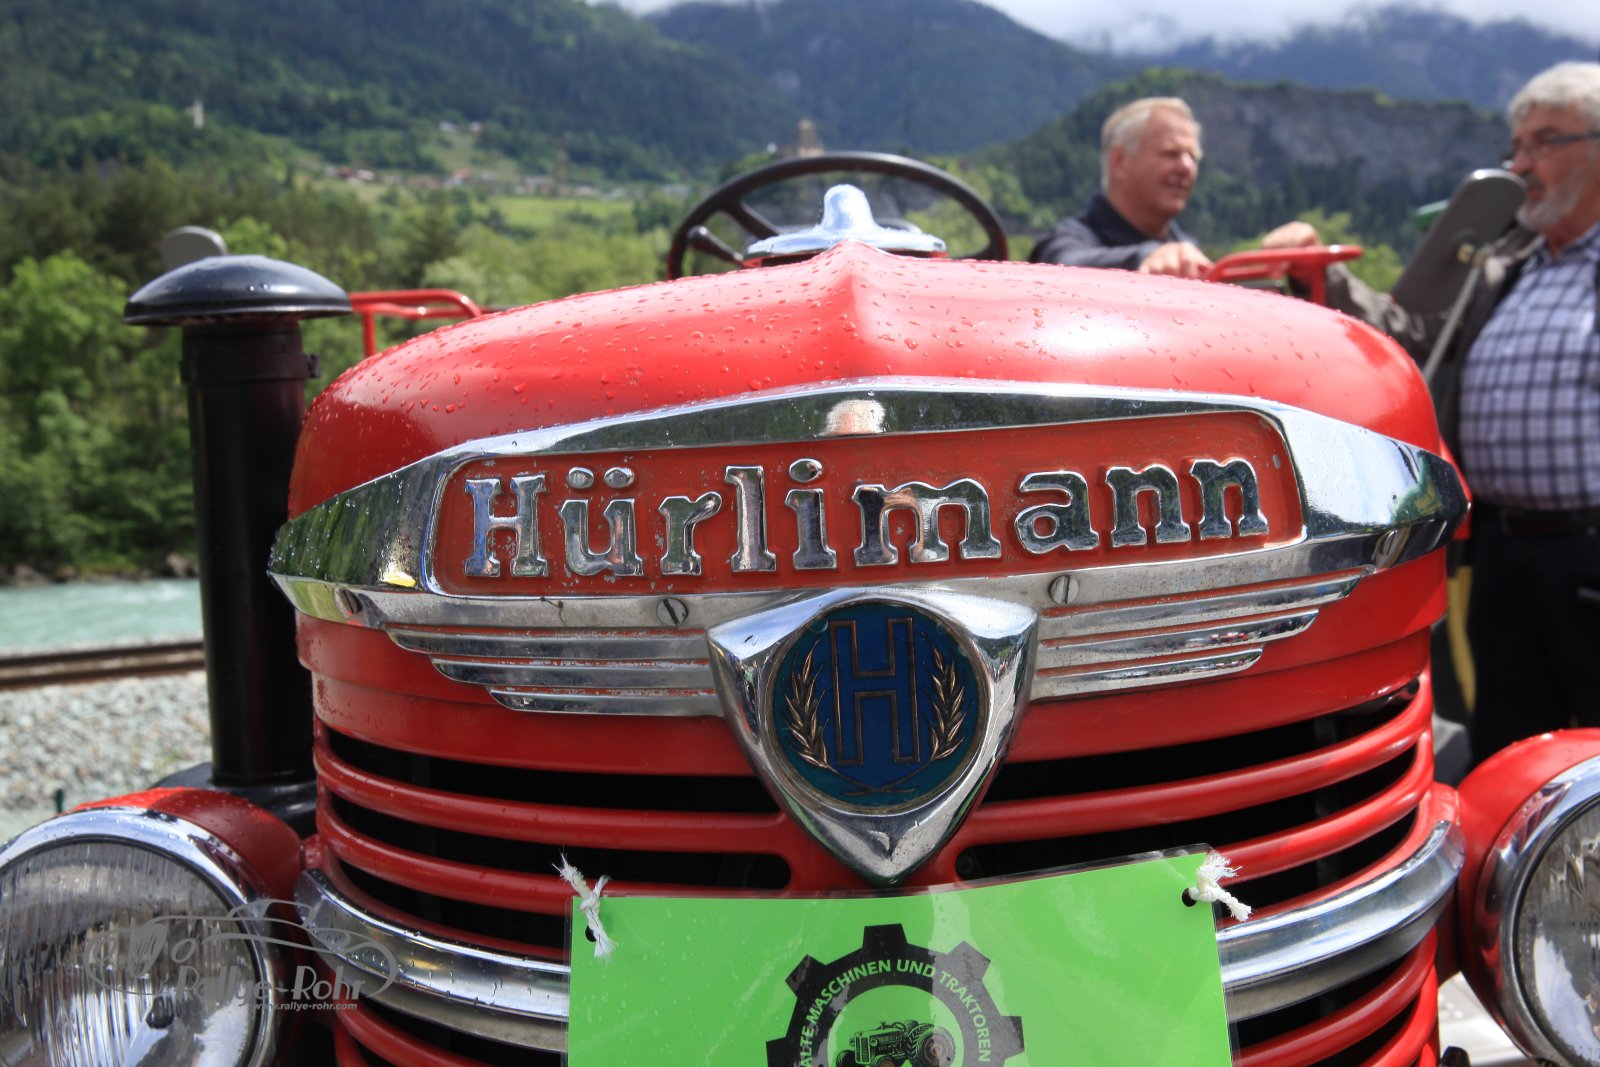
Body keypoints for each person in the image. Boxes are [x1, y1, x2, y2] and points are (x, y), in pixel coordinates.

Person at [1283, 61, 1600, 763]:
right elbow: (1413, 331)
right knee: (1513, 746)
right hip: (1503, 556)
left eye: (1544, 142)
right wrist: (1320, 276)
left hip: (1590, 547)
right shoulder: (1512, 266)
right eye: (1516, 148)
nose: (1521, 166)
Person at [1029, 97, 1214, 278]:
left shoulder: (1190, 252)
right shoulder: (1064, 242)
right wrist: (1147, 257)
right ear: (1119, 161)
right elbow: (1061, 266)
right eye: (1170, 153)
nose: (1187, 167)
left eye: (1193, 156)